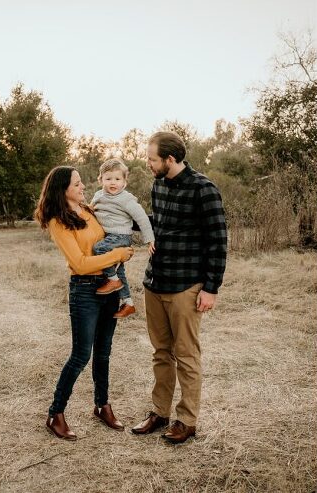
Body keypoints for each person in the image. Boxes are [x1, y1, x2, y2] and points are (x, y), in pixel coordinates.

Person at [130, 131, 227, 445]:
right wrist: (116, 216)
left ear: (169, 159)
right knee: (161, 353)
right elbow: (158, 222)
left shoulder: (204, 189)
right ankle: (159, 413)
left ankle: (187, 420)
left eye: (152, 159)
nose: (148, 163)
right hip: (155, 282)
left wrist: (210, 288)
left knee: (186, 355)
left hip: (186, 285)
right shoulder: (157, 185)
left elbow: (218, 241)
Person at [34, 166, 134, 440]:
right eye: (77, 184)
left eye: (81, 183)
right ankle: (56, 413)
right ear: (63, 189)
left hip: (109, 287)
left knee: (104, 352)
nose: (82, 187)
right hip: (85, 291)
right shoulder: (58, 220)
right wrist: (117, 254)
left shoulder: (89, 211)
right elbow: (79, 263)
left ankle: (102, 406)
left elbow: (116, 228)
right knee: (81, 355)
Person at [90, 157, 155, 319]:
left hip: (121, 237)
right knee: (120, 271)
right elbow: (90, 210)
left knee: (98, 249)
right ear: (101, 180)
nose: (113, 183)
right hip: (109, 237)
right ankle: (128, 303)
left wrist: (150, 239)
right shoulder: (98, 195)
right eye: (108, 178)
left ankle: (112, 280)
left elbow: (142, 218)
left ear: (124, 182)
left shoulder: (126, 199)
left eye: (118, 179)